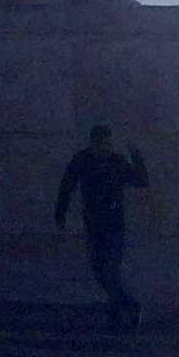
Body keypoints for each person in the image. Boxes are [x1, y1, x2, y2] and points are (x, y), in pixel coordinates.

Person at [55, 121, 150, 331]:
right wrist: (60, 213)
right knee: (99, 272)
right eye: (102, 145)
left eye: (109, 145)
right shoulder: (82, 160)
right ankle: (128, 305)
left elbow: (141, 181)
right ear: (93, 144)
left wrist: (136, 156)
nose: (106, 149)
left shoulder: (117, 162)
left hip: (114, 224)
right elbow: (67, 186)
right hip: (94, 223)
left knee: (110, 271)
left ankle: (115, 313)